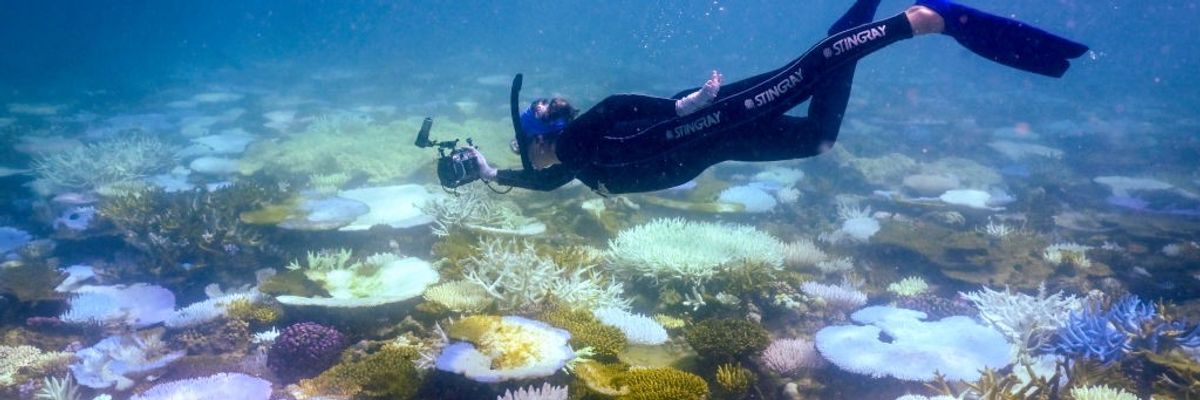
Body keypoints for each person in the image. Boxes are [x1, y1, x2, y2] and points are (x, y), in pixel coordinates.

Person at [470, 0, 1088, 195]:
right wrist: (491, 173)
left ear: (544, 138)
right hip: (725, 140)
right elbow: (541, 183)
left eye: (526, 149)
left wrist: (680, 109)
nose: (531, 161)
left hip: (709, 119)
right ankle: (853, 29)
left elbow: (616, 105)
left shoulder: (579, 142)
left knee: (802, 72)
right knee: (819, 139)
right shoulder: (573, 165)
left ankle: (922, 19)